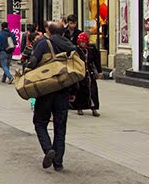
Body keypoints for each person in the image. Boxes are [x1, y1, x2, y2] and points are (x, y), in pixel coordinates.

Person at [27, 22, 80, 172]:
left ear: (49, 31)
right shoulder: (69, 46)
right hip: (63, 90)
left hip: (46, 89)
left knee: (39, 122)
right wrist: (73, 92)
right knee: (60, 126)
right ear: (62, 33)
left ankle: (48, 148)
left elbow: (33, 61)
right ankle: (58, 162)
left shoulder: (43, 43)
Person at [74, 32, 102, 117]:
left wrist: (99, 71)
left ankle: (94, 108)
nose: (82, 43)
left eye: (83, 42)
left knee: (92, 90)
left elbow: (97, 61)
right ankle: (80, 107)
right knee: (80, 90)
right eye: (81, 42)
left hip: (90, 72)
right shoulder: (76, 50)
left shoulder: (91, 49)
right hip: (80, 72)